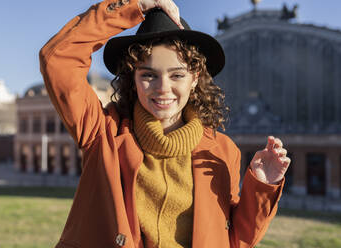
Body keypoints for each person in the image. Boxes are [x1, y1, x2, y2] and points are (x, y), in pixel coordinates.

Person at [39, 0, 291, 247]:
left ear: (194, 79)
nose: (163, 89)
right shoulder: (101, 131)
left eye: (177, 75)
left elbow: (233, 240)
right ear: (132, 79)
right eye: (148, 75)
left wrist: (261, 186)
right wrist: (132, 6)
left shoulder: (224, 151)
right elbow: (58, 59)